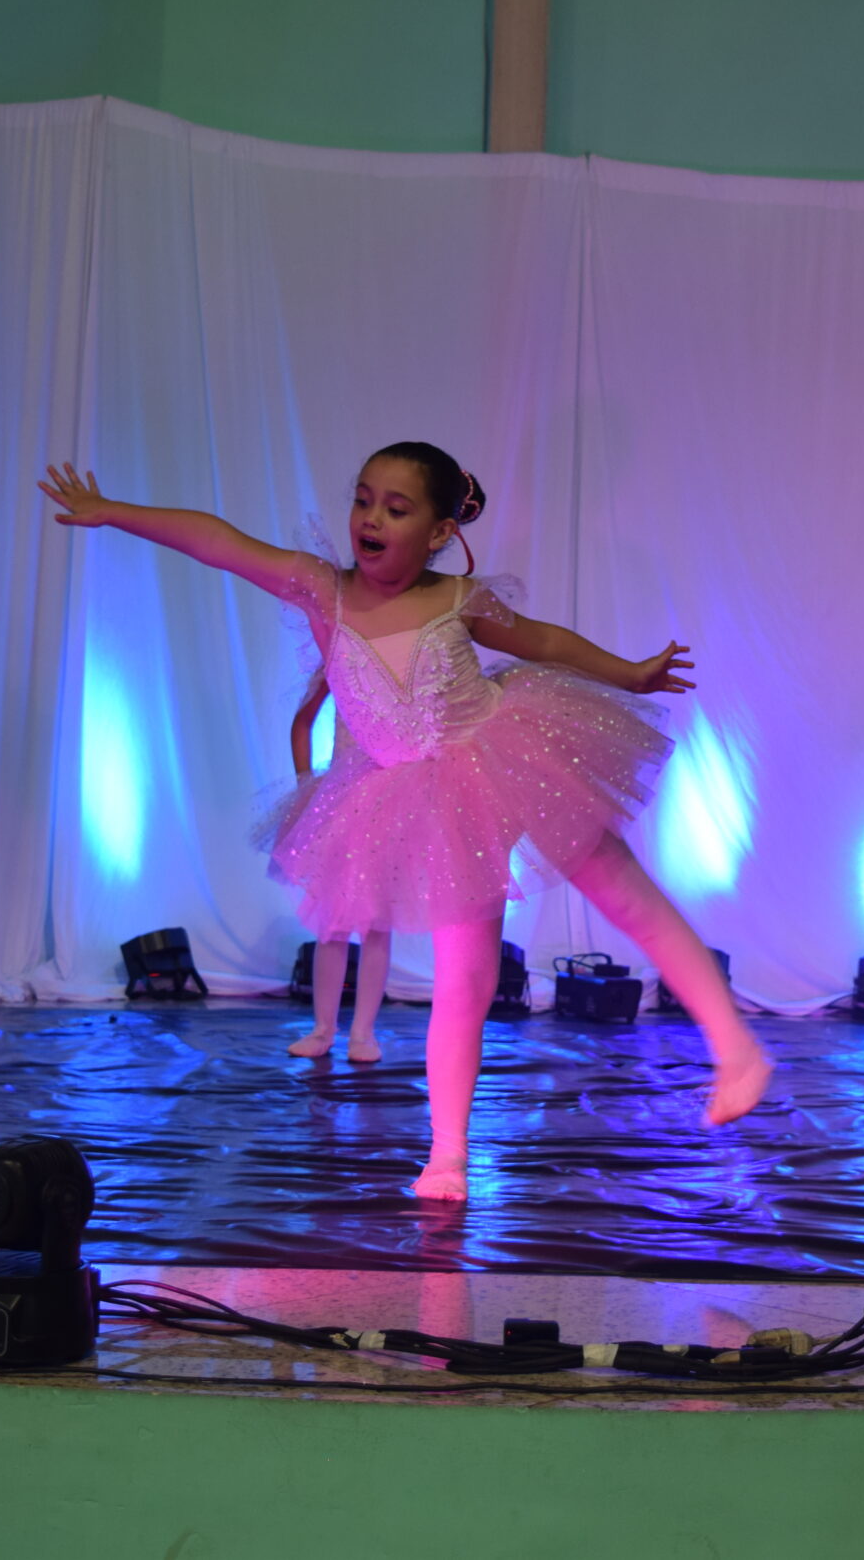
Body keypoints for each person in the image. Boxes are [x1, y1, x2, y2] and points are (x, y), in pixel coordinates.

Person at [40, 443, 770, 1200]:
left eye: (396, 508)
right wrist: (111, 512)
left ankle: (736, 1047)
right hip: (425, 800)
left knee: (624, 893)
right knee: (465, 977)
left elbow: (544, 641)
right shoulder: (322, 589)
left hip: (507, 751)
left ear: (440, 531)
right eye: (362, 500)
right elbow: (218, 542)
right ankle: (447, 1157)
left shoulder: (458, 599)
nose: (371, 518)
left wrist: (630, 673)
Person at [275, 670, 388, 1063]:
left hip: (393, 797)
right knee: (332, 920)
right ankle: (323, 1029)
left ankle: (363, 1033)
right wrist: (305, 785)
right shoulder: (339, 657)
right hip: (343, 798)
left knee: (377, 922)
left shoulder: (411, 656)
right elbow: (303, 721)